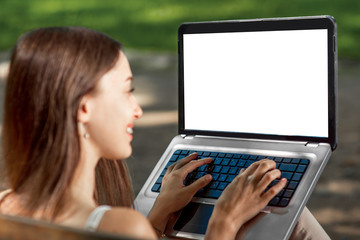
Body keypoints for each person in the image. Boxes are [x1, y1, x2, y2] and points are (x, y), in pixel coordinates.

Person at [0, 27, 330, 240]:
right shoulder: (120, 228)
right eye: (126, 91)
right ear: (83, 108)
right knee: (293, 218)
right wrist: (223, 222)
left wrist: (158, 215)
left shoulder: (6, 205)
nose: (137, 109)